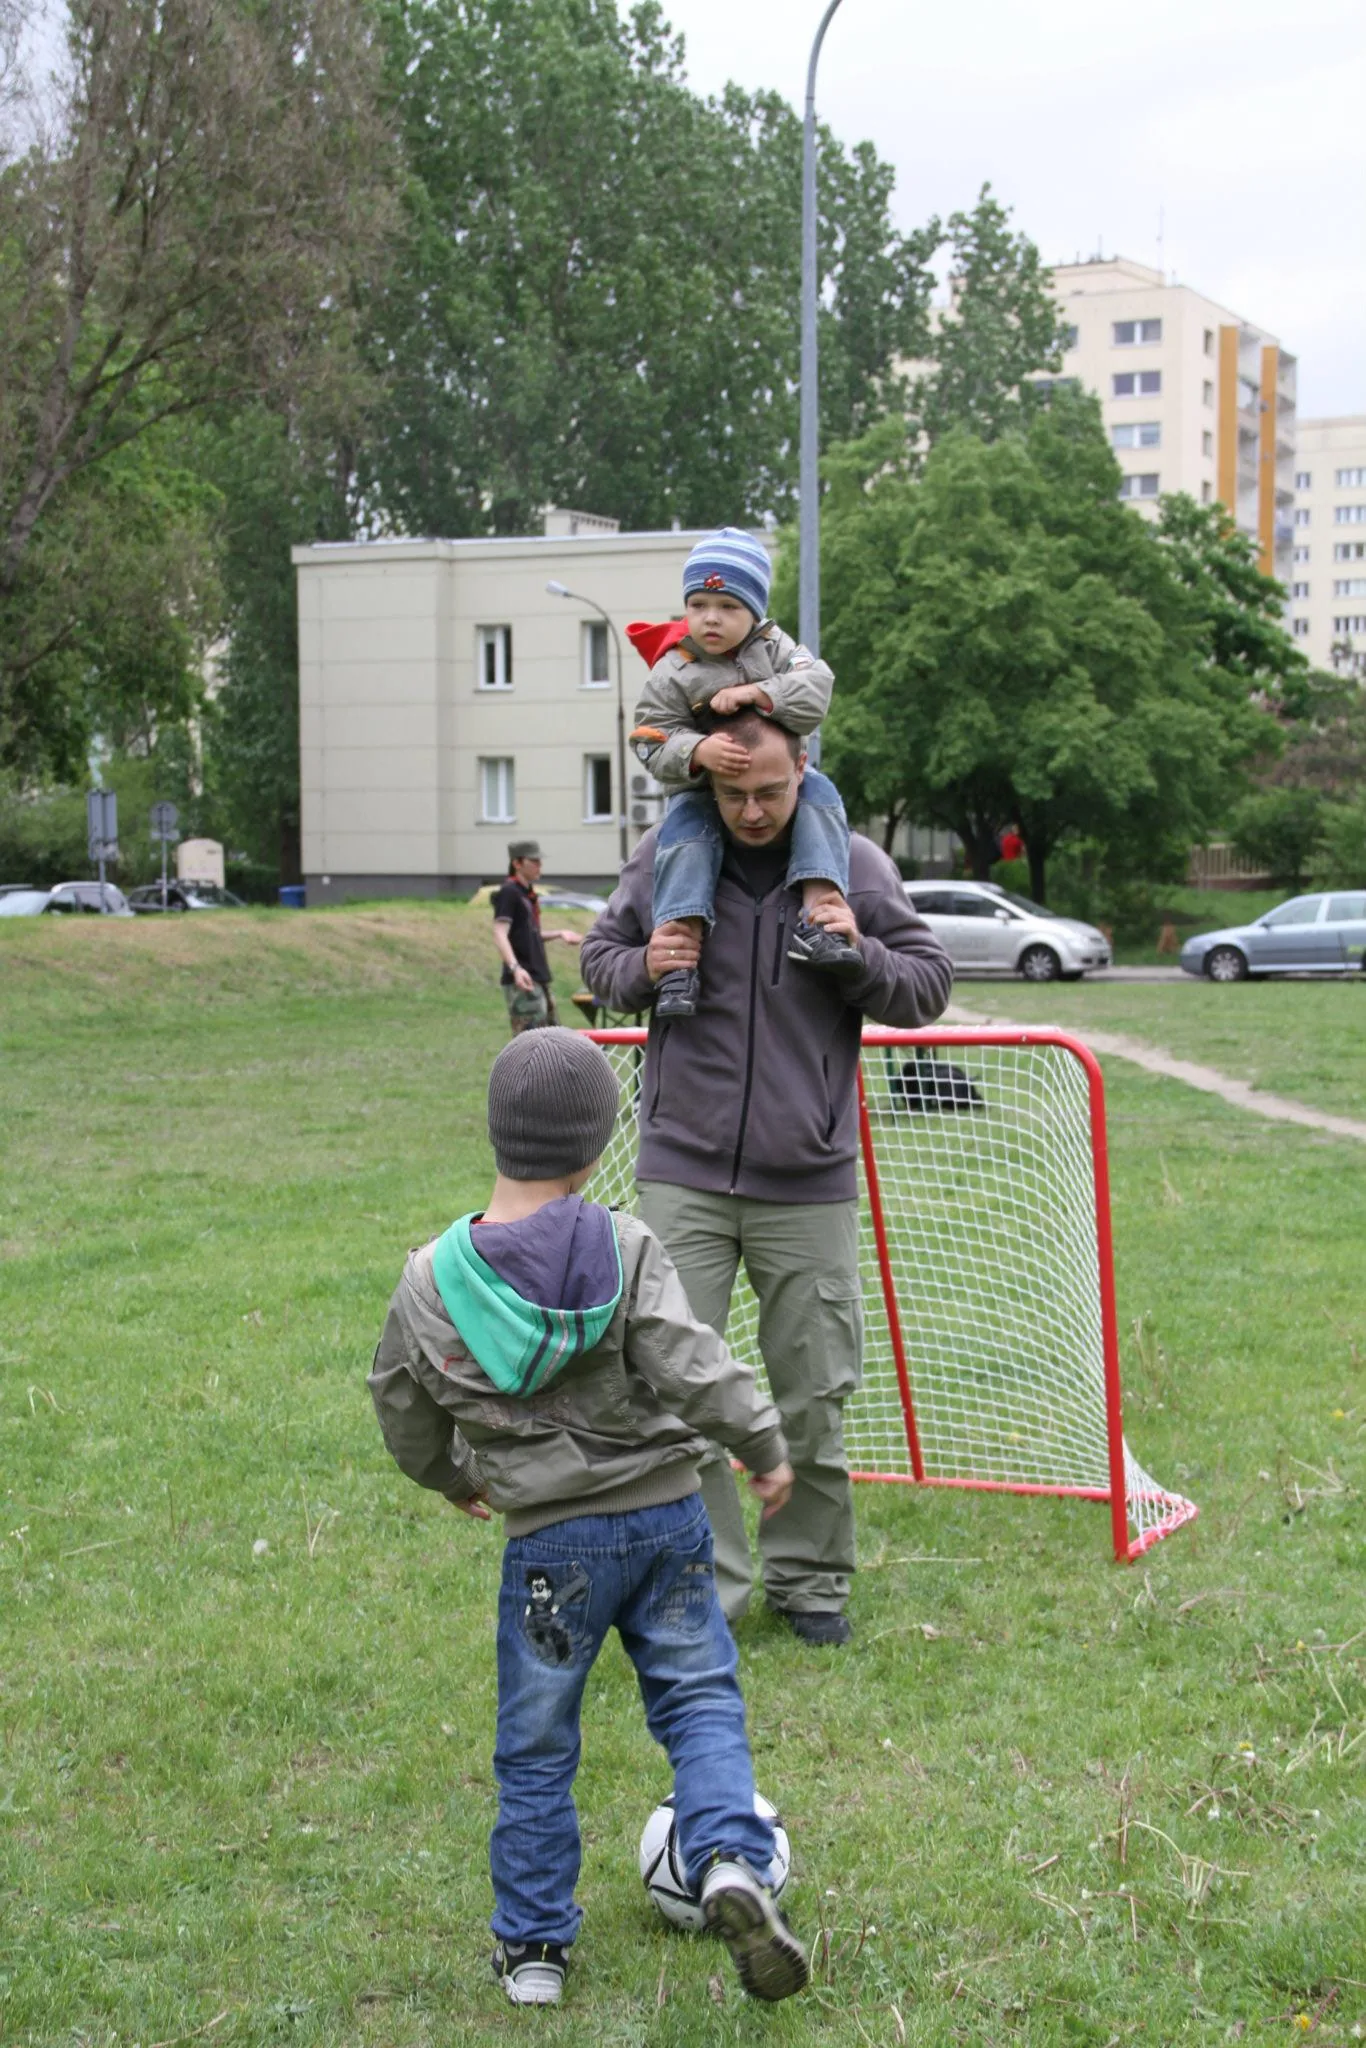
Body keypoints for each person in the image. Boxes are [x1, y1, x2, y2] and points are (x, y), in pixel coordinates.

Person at [367, 1027, 808, 2009]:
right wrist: (762, 1439)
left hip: (548, 1549)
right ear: (598, 1141)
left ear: (495, 1129)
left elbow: (398, 1400)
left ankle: (533, 1948)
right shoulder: (623, 1242)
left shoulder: (428, 1279)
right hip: (667, 1523)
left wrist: (447, 1473)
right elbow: (691, 1361)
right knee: (698, 1699)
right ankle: (726, 1857)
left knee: (536, 1744)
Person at [580, 713, 954, 1646]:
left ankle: (812, 1582)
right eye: (733, 793)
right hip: (683, 1169)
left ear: (804, 771)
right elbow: (598, 961)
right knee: (677, 1390)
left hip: (809, 1177)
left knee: (813, 1392)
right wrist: (643, 965)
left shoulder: (853, 865)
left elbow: (927, 985)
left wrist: (860, 952)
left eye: (772, 792)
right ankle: (704, 1591)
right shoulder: (668, 854)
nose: (751, 811)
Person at [628, 526, 860, 1021]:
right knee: (686, 840)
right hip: (706, 791)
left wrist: (759, 693)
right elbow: (648, 738)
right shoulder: (673, 668)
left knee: (822, 800)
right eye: (698, 605)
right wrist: (697, 750)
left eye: (728, 606)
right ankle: (679, 959)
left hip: (783, 783)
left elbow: (817, 688)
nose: (711, 618)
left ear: (754, 610)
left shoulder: (776, 648)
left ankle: (820, 919)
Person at [490, 840, 581, 1033]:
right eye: (534, 861)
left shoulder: (526, 894)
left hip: (539, 977)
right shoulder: (509, 892)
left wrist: (559, 933)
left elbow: (528, 934)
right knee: (531, 1042)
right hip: (524, 979)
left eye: (539, 860)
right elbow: (499, 933)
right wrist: (516, 969)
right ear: (517, 863)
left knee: (553, 1038)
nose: (539, 865)